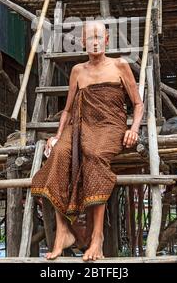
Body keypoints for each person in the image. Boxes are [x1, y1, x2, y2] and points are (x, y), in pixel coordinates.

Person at [31, 20, 144, 261]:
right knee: (59, 154)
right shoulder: (78, 71)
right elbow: (69, 111)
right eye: (88, 37)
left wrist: (133, 128)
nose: (93, 41)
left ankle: (97, 238)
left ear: (106, 40)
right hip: (80, 126)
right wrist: (58, 136)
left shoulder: (120, 65)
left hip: (109, 126)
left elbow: (138, 104)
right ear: (82, 42)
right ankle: (63, 232)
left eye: (98, 37)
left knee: (93, 154)